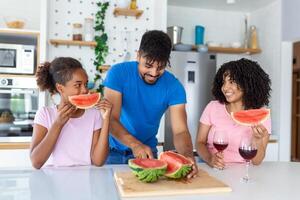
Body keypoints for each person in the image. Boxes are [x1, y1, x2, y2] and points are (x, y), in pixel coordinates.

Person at [103, 30, 198, 178]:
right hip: (112, 152)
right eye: (148, 66)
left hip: (148, 154)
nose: (154, 73)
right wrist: (135, 144)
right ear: (138, 55)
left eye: (160, 67)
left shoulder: (174, 87)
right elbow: (111, 119)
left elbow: (180, 131)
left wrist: (187, 156)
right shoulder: (117, 73)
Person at [30, 57, 112, 169]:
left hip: (85, 179)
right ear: (60, 88)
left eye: (86, 84)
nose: (85, 90)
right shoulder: (45, 114)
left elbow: (98, 161)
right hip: (51, 180)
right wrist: (58, 124)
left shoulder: (94, 115)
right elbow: (36, 162)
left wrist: (106, 119)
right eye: (78, 85)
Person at [196, 58, 272, 169]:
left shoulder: (261, 115)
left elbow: (257, 161)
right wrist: (210, 159)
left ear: (247, 84)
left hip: (242, 173)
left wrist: (257, 140)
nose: (225, 88)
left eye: (231, 82)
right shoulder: (212, 107)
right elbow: (200, 142)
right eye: (223, 82)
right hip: (213, 169)